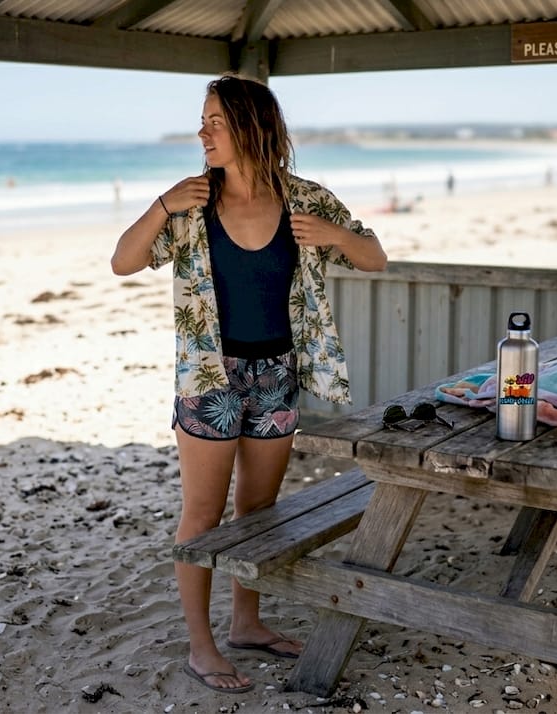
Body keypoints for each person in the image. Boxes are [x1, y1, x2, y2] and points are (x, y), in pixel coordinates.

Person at [110, 75, 387, 694]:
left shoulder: (306, 200)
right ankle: (201, 646)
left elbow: (375, 257)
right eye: (202, 121)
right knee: (203, 514)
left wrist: (337, 237)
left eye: (215, 121)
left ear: (252, 126)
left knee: (258, 510)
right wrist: (159, 204)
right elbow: (123, 261)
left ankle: (246, 623)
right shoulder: (190, 204)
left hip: (277, 374)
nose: (202, 133)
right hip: (209, 378)